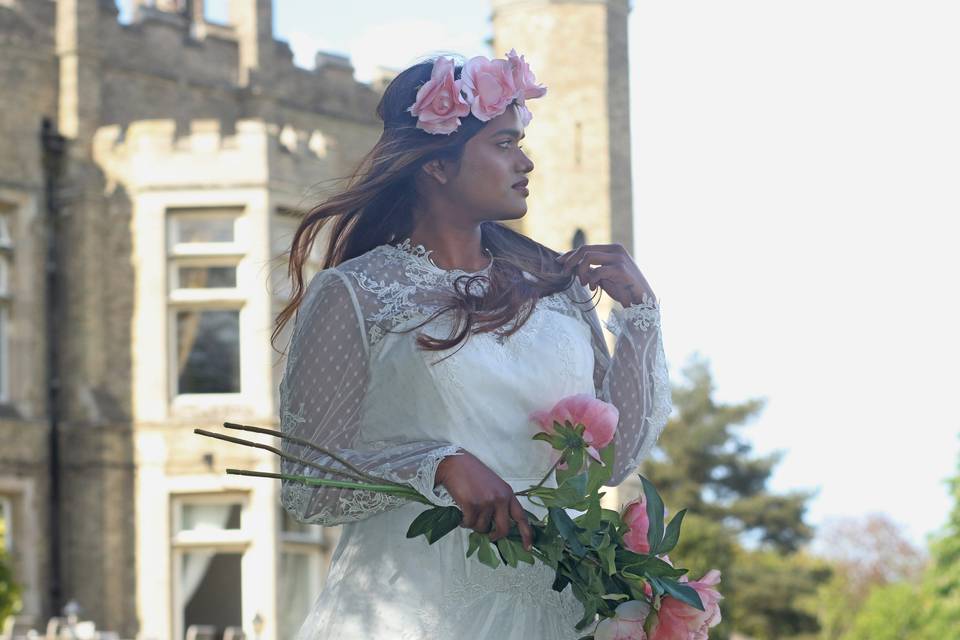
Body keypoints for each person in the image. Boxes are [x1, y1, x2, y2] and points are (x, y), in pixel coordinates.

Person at [273, 50, 672, 640]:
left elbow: (608, 464)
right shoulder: (355, 294)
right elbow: (308, 484)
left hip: (551, 610)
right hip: (407, 613)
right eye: (504, 144)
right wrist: (438, 464)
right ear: (436, 166)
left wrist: (640, 317)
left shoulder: (557, 293)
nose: (526, 161)